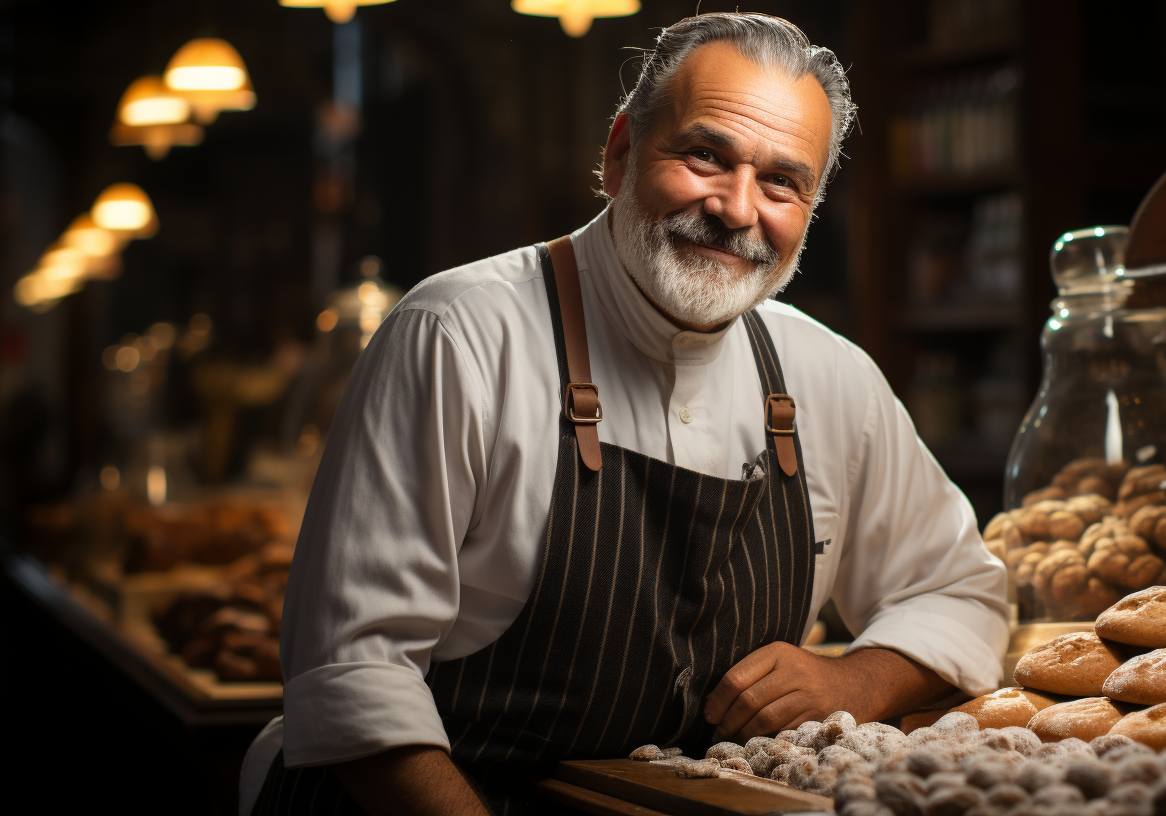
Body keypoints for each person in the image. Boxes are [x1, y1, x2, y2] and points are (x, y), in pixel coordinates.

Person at [242, 12, 1008, 816]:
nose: (738, 209)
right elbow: (353, 675)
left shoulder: (829, 377)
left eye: (782, 181)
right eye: (706, 155)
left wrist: (856, 676)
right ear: (620, 153)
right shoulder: (458, 334)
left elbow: (964, 592)